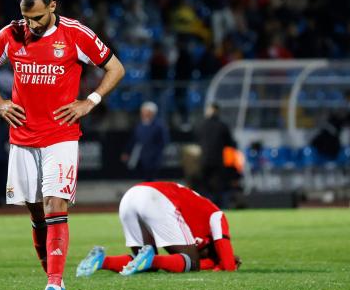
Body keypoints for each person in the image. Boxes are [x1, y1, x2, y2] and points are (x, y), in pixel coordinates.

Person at [0, 0, 125, 290]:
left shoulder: (76, 34)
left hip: (60, 135)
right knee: (35, 213)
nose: (31, 25)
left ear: (53, 7)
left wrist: (92, 100)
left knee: (54, 205)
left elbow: (116, 67)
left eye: (39, 18)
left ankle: (55, 285)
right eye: (27, 18)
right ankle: (52, 279)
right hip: (22, 137)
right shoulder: (10, 34)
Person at [75, 181, 239, 277]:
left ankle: (102, 261)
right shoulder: (216, 214)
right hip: (154, 198)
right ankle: (150, 259)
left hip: (130, 198)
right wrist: (220, 262)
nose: (199, 250)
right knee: (191, 262)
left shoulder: (200, 220)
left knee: (144, 262)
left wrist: (214, 262)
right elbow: (228, 264)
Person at [194, 103, 237, 208]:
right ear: (217, 112)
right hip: (218, 160)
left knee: (204, 186)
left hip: (204, 159)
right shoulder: (222, 126)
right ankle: (218, 207)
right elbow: (230, 143)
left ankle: (202, 207)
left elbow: (197, 140)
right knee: (218, 186)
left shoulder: (201, 125)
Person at [121, 101, 169, 181]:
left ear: (152, 113)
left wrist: (156, 154)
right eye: (143, 111)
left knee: (152, 178)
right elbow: (134, 140)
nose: (143, 113)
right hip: (141, 157)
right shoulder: (139, 125)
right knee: (143, 178)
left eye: (146, 111)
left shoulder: (159, 126)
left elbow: (164, 141)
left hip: (154, 158)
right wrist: (127, 152)